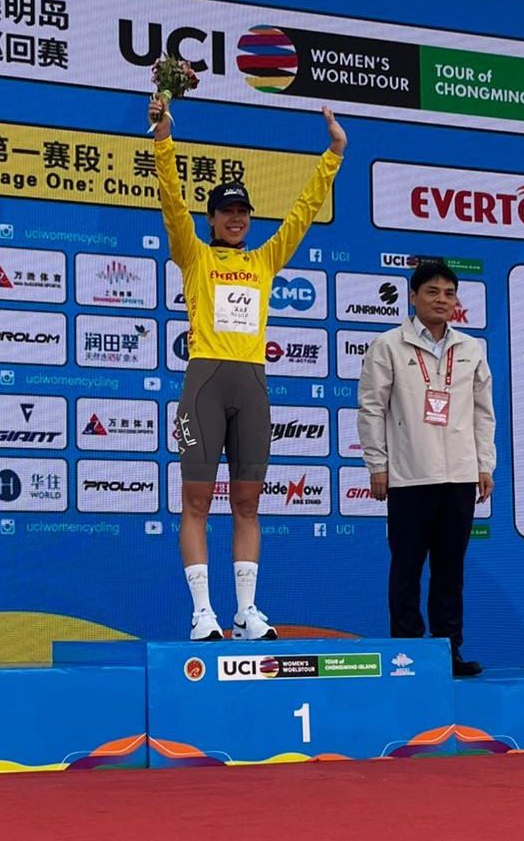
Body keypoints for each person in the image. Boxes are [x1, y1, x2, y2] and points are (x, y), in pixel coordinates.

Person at [149, 95, 346, 640]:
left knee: (247, 503)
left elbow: (304, 211)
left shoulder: (264, 259)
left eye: (243, 213)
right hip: (206, 381)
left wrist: (333, 154)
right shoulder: (194, 254)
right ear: (212, 218)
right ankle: (202, 613)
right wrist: (164, 141)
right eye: (227, 212)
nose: (236, 219)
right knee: (195, 501)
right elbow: (170, 203)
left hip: (252, 385)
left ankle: (244, 612)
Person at [356, 262, 495, 675]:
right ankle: (406, 653)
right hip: (409, 475)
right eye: (432, 292)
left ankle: (448, 651)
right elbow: (371, 409)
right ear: (413, 297)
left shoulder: (471, 349)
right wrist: (377, 465)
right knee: (407, 568)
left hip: (460, 476)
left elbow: (483, 414)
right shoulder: (389, 345)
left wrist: (484, 465)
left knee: (450, 571)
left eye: (449, 293)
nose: (441, 300)